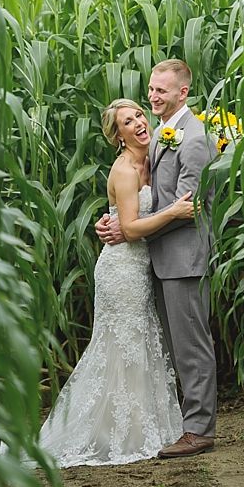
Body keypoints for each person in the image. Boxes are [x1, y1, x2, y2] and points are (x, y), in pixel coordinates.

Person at [38, 99, 194, 467]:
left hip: (144, 265)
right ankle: (123, 432)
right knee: (124, 346)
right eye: (128, 122)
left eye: (140, 115)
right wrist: (172, 211)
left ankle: (139, 424)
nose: (139, 123)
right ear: (118, 137)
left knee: (142, 343)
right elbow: (130, 227)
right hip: (122, 270)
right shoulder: (124, 170)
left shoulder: (161, 147)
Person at [96, 59, 218, 459]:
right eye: (150, 89)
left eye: (160, 91)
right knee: (176, 346)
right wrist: (118, 222)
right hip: (159, 260)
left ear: (183, 92)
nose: (152, 97)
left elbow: (188, 207)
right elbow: (149, 196)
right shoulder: (165, 135)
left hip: (183, 258)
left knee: (191, 346)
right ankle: (187, 422)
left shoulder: (193, 137)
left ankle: (199, 430)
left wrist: (129, 228)